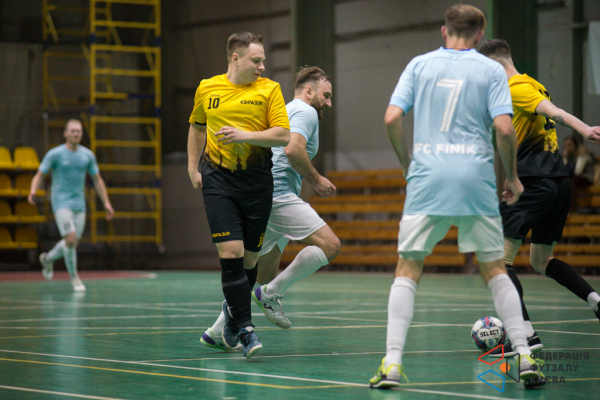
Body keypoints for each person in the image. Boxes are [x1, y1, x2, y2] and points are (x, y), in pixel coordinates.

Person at [369, 4, 544, 389]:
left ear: (444, 31)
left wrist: (407, 163)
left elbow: (392, 118)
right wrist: (512, 177)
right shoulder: (491, 71)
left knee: (408, 268)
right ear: (480, 36)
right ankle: (525, 355)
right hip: (474, 180)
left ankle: (392, 363)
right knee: (495, 269)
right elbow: (504, 128)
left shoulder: (419, 65)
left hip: (427, 178)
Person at [200, 67, 340, 347]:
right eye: (326, 95)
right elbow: (293, 149)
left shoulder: (285, 110)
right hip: (278, 195)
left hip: (265, 194)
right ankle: (270, 295)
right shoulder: (306, 111)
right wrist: (317, 180)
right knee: (330, 245)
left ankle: (215, 332)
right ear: (308, 91)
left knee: (260, 273)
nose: (329, 103)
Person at [479, 39, 600, 358]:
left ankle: (526, 336)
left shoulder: (515, 88)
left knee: (497, 261)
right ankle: (596, 301)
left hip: (534, 183)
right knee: (539, 261)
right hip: (558, 184)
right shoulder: (534, 83)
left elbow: (555, 113)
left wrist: (584, 129)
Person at [187, 32, 290, 359]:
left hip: (257, 182)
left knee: (249, 260)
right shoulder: (208, 88)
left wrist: (244, 135)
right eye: (256, 60)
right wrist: (192, 167)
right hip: (218, 180)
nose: (262, 66)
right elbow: (197, 126)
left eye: (263, 61)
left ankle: (232, 316)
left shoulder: (269, 90)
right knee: (230, 252)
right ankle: (246, 329)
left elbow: (283, 135)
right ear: (236, 58)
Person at [28, 119, 115, 292]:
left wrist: (106, 202)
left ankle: (47, 259)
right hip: (61, 203)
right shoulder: (55, 154)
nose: (76, 134)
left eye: (79, 131)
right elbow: (40, 174)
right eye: (73, 131)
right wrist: (33, 190)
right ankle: (74, 278)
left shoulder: (87, 156)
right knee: (70, 238)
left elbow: (97, 180)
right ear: (65, 133)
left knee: (72, 243)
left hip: (79, 204)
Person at [562, 134, 596, 213]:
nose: (567, 147)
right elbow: (563, 172)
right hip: (574, 178)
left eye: (569, 145)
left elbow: (577, 171)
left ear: (575, 145)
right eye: (565, 145)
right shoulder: (568, 155)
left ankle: (572, 209)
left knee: (571, 182)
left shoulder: (582, 153)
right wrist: (565, 158)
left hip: (587, 177)